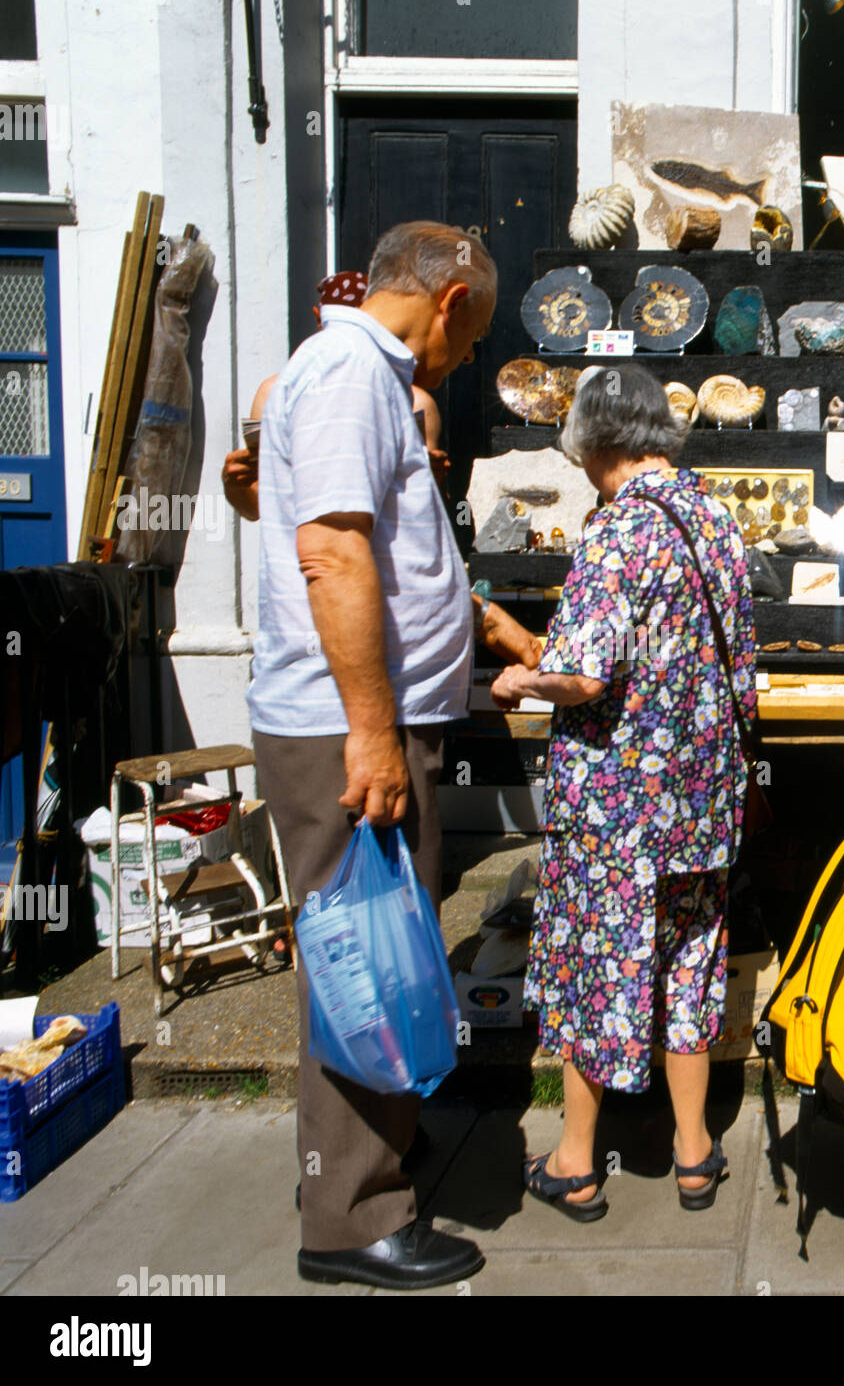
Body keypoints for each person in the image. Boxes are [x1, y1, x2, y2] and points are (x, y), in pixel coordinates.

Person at [248, 221, 496, 1290]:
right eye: (476, 332)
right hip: (343, 728)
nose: (473, 355)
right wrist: (371, 730)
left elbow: (383, 549)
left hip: (367, 718)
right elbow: (334, 550)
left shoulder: (362, 374)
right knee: (355, 960)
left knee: (389, 946)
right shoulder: (353, 372)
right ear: (447, 300)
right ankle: (350, 1218)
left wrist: (484, 625)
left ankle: (380, 1150)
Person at [490, 365, 757, 1220]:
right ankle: (692, 1149)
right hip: (702, 799)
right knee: (689, 962)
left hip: (619, 809)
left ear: (591, 443)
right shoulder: (716, 517)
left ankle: (575, 1159)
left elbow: (580, 673)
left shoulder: (615, 533)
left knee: (596, 972)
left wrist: (518, 679)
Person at [224, 270, 541, 668]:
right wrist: (237, 487)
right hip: (306, 602)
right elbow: (262, 509)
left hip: (393, 607)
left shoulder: (414, 400)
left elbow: (417, 524)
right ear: (318, 319)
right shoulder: (278, 391)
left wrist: (425, 475)